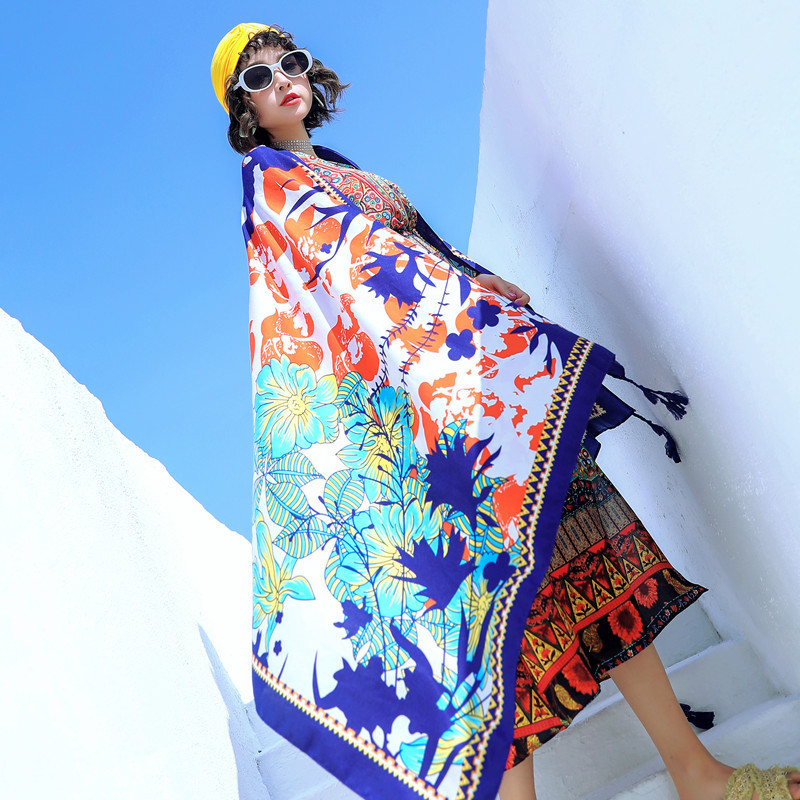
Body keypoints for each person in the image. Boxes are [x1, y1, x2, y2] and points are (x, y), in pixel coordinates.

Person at [211, 23, 800, 800]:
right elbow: (353, 275)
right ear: (244, 109)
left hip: (475, 399)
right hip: (424, 428)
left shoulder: (339, 169)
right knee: (480, 619)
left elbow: (416, 257)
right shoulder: (270, 179)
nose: (283, 79)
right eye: (258, 77)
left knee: (587, 544)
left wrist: (475, 283)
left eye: (289, 63)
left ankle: (698, 775)